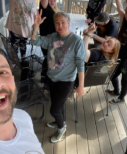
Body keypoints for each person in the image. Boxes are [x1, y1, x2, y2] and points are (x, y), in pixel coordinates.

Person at [31, 11, 86, 143]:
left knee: (54, 109)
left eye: (63, 22)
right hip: (52, 78)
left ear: (68, 23)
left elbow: (80, 64)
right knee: (57, 104)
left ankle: (61, 127)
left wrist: (81, 85)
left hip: (66, 81)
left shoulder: (76, 41)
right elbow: (35, 41)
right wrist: (36, 26)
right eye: (57, 23)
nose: (60, 25)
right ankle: (58, 121)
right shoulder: (52, 37)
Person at [33, 0, 58, 87]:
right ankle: (48, 83)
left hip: (52, 41)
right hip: (47, 41)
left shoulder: (55, 10)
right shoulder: (46, 8)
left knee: (49, 59)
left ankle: (44, 78)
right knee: (51, 60)